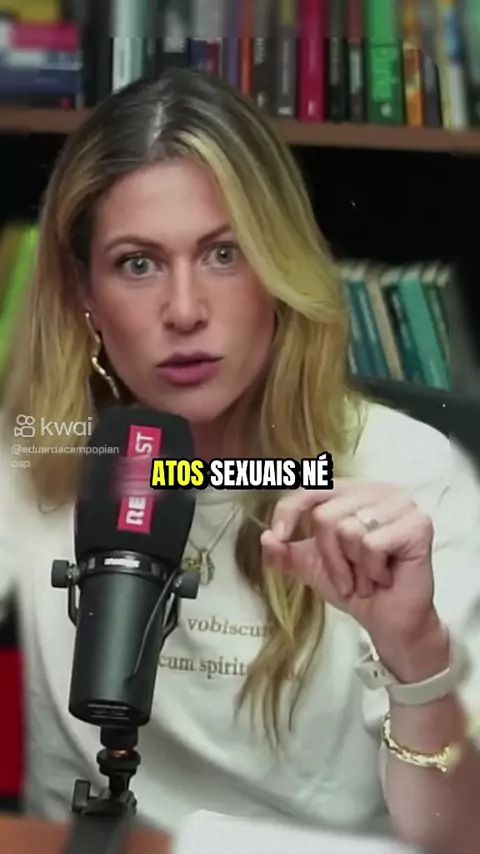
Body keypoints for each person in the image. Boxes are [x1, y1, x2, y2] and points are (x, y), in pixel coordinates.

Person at [1, 68, 479, 852]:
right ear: (85, 292)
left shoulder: (410, 478)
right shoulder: (35, 456)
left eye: (224, 254)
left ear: (279, 269)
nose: (185, 311)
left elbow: (456, 838)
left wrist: (414, 653)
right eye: (138, 263)